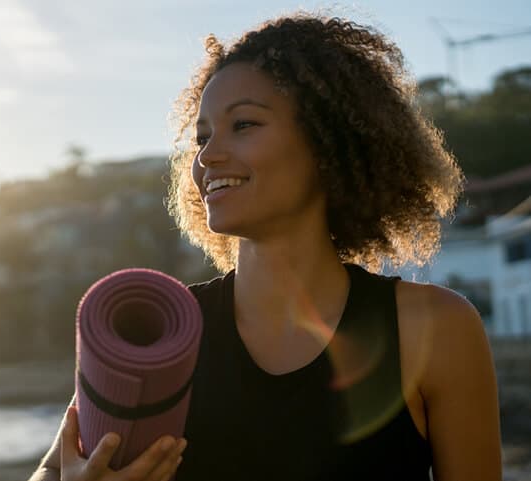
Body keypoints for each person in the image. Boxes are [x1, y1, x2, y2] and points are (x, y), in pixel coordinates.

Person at [28, 11, 502, 481]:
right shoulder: (158, 327)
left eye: (245, 125)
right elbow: (56, 469)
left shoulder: (436, 329)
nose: (208, 155)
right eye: (202, 136)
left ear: (328, 142)